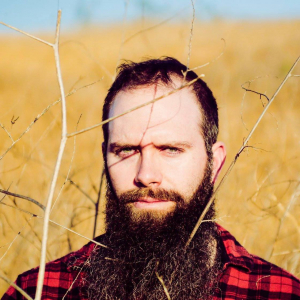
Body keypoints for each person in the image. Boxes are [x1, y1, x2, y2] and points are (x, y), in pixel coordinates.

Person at [2, 57, 300, 300]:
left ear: (215, 162)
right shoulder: (42, 290)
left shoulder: (273, 293)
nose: (145, 175)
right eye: (127, 150)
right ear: (105, 157)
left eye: (171, 149)